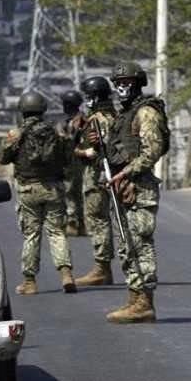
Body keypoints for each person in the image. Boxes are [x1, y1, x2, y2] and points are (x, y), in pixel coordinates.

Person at [93, 62, 169, 323]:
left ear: (138, 84)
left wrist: (125, 173)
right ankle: (134, 297)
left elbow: (151, 151)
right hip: (122, 186)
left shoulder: (146, 112)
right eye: (118, 83)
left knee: (141, 245)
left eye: (127, 82)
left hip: (140, 187)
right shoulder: (123, 115)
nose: (122, 87)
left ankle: (145, 302)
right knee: (127, 246)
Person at [0, 91, 76, 295]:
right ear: (43, 109)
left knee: (31, 234)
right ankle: (66, 275)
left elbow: (2, 158)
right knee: (57, 232)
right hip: (54, 189)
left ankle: (30, 282)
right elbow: (68, 159)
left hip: (28, 190)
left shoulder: (16, 134)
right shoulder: (56, 133)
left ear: (22, 110)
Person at [73, 76, 117, 286]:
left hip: (98, 177)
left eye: (88, 97)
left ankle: (102, 268)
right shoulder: (114, 115)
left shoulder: (99, 119)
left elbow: (100, 149)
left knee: (98, 220)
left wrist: (82, 152)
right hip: (109, 176)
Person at [60, 89, 86, 236]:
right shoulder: (70, 121)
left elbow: (71, 141)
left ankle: (73, 221)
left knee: (71, 192)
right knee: (73, 193)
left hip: (76, 161)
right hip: (71, 161)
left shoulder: (80, 122)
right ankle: (78, 221)